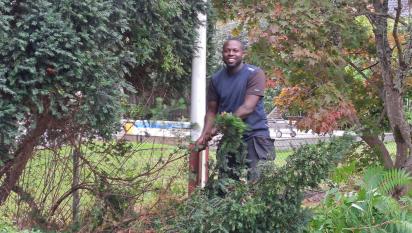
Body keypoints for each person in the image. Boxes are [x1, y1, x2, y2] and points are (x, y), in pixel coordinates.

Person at [195, 38, 275, 181]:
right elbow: (211, 111)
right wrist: (204, 135)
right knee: (226, 187)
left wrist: (218, 128)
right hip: (230, 138)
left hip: (255, 136)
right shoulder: (216, 79)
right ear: (222, 54)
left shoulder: (255, 74)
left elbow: (247, 108)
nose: (230, 53)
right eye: (227, 51)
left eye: (235, 50)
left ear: (243, 53)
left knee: (259, 185)